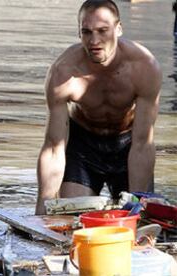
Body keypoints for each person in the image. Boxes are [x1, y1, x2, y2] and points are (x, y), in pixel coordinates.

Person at [35, 0, 162, 215]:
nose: (94, 41)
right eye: (86, 32)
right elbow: (54, 147)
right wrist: (43, 206)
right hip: (83, 146)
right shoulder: (63, 72)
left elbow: (142, 143)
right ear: (79, 33)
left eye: (103, 31)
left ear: (119, 29)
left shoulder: (144, 67)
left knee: (136, 219)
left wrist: (139, 203)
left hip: (128, 145)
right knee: (71, 219)